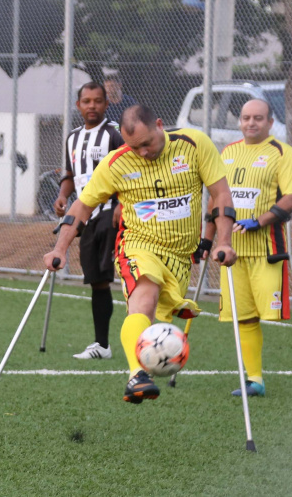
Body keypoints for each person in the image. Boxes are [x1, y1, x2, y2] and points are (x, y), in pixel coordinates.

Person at [45, 104, 237, 403]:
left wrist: (223, 241)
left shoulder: (194, 145)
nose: (142, 153)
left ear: (160, 124)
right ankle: (137, 376)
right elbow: (81, 207)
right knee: (143, 299)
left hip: (179, 255)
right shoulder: (116, 163)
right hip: (138, 245)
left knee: (155, 322)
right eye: (134, 147)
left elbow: (221, 195)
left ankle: (142, 369)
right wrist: (59, 249)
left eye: (147, 143)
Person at [203, 98, 292, 397]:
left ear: (270, 122)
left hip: (266, 249)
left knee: (269, 315)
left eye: (258, 118)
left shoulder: (282, 153)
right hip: (231, 251)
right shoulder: (228, 152)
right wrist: (207, 239)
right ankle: (255, 380)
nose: (251, 123)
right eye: (246, 117)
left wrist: (259, 221)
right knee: (243, 316)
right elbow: (216, 199)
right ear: (240, 121)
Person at [54, 81, 124, 360]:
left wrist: (121, 203)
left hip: (112, 212)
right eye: (87, 101)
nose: (92, 106)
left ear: (106, 104)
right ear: (78, 105)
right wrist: (62, 197)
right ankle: (102, 345)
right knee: (96, 279)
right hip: (87, 216)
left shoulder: (114, 134)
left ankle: (147, 336)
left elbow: (131, 170)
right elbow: (71, 174)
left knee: (129, 276)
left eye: (98, 101)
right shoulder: (72, 137)